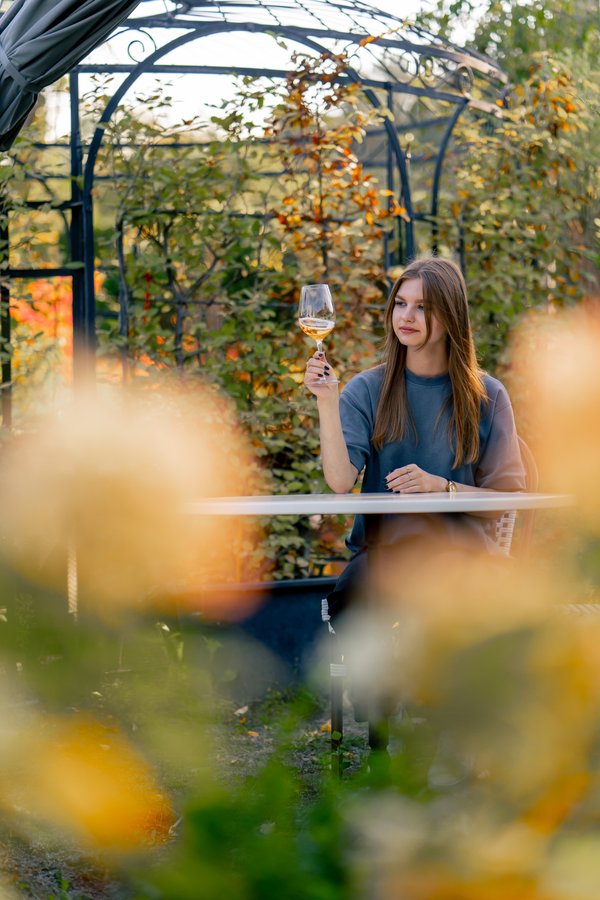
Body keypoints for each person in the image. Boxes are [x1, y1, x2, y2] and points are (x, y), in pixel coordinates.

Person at [304, 255, 526, 626]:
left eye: (423, 307)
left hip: (466, 558)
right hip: (385, 559)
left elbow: (505, 501)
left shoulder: (488, 395)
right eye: (401, 304)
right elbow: (341, 481)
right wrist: (327, 401)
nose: (406, 316)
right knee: (362, 617)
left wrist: (442, 487)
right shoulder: (367, 389)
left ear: (452, 316)